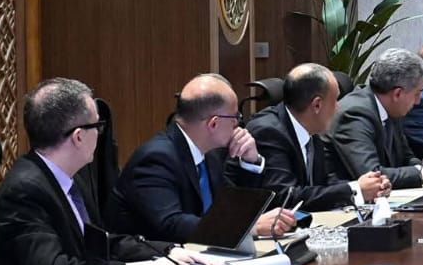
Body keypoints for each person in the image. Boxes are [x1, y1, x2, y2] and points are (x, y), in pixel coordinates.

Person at [0, 78, 217, 265]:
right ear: (78, 137)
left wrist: (168, 251)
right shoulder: (25, 191)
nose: (100, 133)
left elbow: (100, 244)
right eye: (97, 126)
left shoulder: (71, 179)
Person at [115, 74, 296, 243]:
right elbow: (171, 224)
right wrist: (249, 227)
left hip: (202, 253)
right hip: (157, 260)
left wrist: (250, 162)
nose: (237, 124)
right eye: (235, 117)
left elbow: (230, 206)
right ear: (213, 123)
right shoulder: (156, 159)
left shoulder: (208, 154)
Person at [247, 63, 390, 211]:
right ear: (317, 105)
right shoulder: (269, 132)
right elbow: (286, 196)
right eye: (335, 100)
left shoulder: (311, 126)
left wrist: (369, 186)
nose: (338, 107)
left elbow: (325, 181)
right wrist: (355, 190)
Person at [328, 48, 423, 189]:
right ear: (397, 94)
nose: (418, 101)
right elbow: (372, 175)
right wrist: (422, 174)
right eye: (417, 93)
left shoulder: (392, 109)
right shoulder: (354, 114)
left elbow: (405, 157)